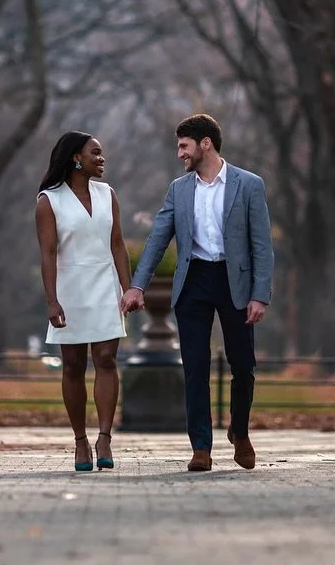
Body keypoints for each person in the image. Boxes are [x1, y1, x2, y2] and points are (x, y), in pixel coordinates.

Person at [123, 113, 274, 471]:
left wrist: (260, 294)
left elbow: (261, 246)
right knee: (194, 366)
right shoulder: (179, 189)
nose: (180, 153)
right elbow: (158, 238)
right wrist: (137, 284)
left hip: (234, 281)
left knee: (243, 366)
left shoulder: (249, 185)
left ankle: (239, 431)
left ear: (205, 143)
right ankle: (201, 447)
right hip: (193, 282)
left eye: (184, 145)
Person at [36, 130, 131, 471]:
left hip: (105, 285)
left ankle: (104, 437)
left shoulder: (109, 195)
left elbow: (117, 244)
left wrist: (128, 288)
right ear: (76, 157)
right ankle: (80, 441)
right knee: (74, 366)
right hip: (70, 287)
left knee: (106, 359)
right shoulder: (49, 201)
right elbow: (47, 255)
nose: (101, 159)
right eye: (96, 153)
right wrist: (52, 301)